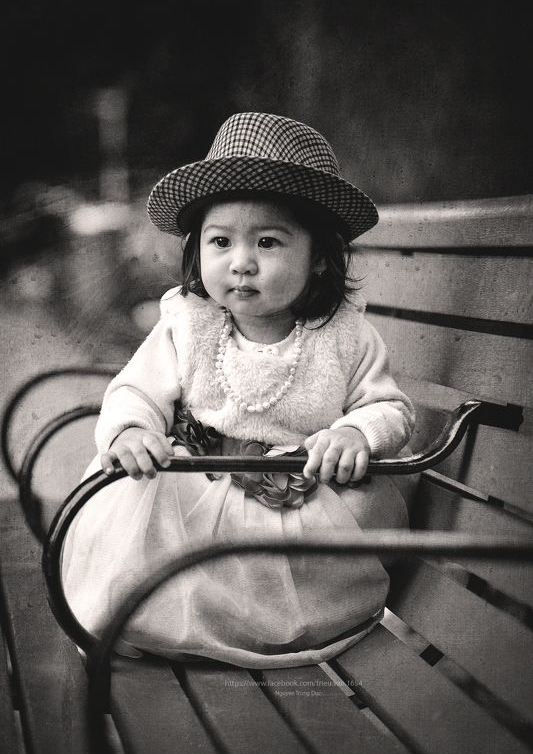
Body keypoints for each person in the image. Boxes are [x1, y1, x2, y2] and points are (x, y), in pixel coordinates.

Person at [62, 112, 415, 667]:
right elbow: (136, 389)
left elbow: (389, 407)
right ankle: (172, 621)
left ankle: (258, 628)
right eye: (221, 240)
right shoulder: (188, 324)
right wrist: (132, 427)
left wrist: (356, 430)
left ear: (319, 258)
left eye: (269, 242)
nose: (241, 262)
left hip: (294, 504)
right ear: (198, 252)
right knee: (141, 492)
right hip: (198, 483)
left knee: (333, 529)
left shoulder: (344, 336)